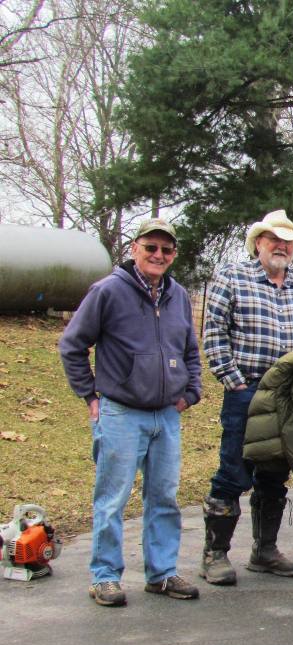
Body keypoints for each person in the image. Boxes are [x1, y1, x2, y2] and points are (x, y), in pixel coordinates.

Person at [59, 218, 202, 606]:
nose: (158, 255)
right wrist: (90, 396)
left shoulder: (178, 295)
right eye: (150, 247)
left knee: (164, 497)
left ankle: (162, 573)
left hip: (166, 415)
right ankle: (104, 576)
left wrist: (191, 392)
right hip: (121, 412)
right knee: (113, 498)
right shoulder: (108, 291)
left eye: (166, 249)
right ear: (134, 248)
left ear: (173, 255)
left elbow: (190, 350)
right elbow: (72, 345)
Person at [201, 209, 293, 585]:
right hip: (247, 390)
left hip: (288, 397)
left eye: (288, 241)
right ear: (258, 242)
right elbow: (214, 332)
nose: (281, 246)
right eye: (274, 239)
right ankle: (214, 554)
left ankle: (265, 551)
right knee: (233, 471)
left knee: (274, 473)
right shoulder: (232, 277)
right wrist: (234, 382)